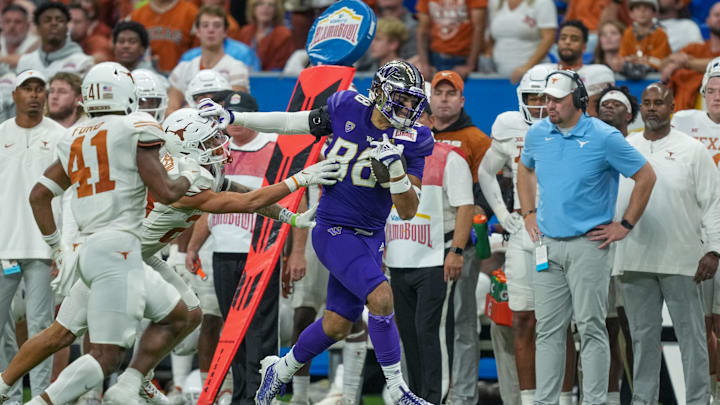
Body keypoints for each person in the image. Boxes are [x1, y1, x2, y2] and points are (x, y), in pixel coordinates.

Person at [0, 103, 340, 405]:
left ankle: (138, 379)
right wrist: (300, 180)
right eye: (209, 141)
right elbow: (243, 203)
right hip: (116, 257)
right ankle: (7, 385)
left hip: (140, 256)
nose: (219, 146)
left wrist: (288, 215)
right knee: (61, 334)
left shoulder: (194, 168)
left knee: (189, 314)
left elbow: (242, 192)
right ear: (188, 144)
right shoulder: (183, 179)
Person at [199, 59, 435, 405]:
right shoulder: (346, 106)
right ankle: (399, 391)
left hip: (371, 236)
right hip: (333, 227)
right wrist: (236, 118)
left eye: (414, 101)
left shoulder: (415, 138)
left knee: (337, 325)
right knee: (382, 297)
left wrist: (396, 173)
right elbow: (293, 122)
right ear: (381, 93)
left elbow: (408, 209)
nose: (410, 107)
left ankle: (279, 370)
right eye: (402, 98)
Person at [19, 61, 196, 405]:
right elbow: (168, 192)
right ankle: (51, 401)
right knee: (105, 354)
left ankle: (128, 384)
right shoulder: (133, 127)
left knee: (180, 316)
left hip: (89, 249)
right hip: (119, 249)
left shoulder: (74, 135)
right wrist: (191, 171)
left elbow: (39, 195)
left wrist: (57, 247)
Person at [517, 69, 656, 404]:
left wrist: (625, 225)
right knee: (548, 329)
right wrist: (528, 213)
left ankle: (594, 402)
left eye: (556, 100)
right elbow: (524, 168)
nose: (548, 106)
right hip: (547, 244)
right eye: (546, 99)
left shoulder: (604, 136)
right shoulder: (538, 134)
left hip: (589, 246)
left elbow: (646, 176)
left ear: (578, 100)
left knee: (591, 327)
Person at [477, 64, 577, 405]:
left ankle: (565, 399)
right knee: (521, 317)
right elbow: (486, 172)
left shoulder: (577, 126)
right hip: (523, 229)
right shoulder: (509, 125)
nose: (538, 104)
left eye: (545, 97)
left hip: (562, 230)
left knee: (560, 322)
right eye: (532, 97)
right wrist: (503, 214)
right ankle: (529, 400)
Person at [615, 82, 719, 405]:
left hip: (683, 260)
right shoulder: (626, 145)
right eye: (646, 103)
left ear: (672, 107)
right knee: (643, 339)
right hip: (634, 260)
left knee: (693, 339)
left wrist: (713, 249)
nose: (651, 108)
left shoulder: (693, 149)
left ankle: (698, 401)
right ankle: (644, 401)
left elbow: (713, 202)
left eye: (658, 103)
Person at [385, 137, 473, 404]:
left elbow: (465, 206)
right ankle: (416, 396)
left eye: (418, 113)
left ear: (429, 120)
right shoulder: (386, 155)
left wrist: (456, 251)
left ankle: (437, 398)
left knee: (430, 331)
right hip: (398, 259)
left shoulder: (450, 157)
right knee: (409, 335)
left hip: (436, 259)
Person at [0, 69, 64, 404]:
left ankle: (38, 396)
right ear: (16, 96)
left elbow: (69, 195)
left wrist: (63, 246)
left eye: (41, 89)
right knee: (0, 327)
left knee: (42, 328)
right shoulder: (0, 134)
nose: (35, 95)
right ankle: (7, 395)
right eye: (28, 89)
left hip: (45, 247)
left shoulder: (60, 136)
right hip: (3, 249)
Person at [427, 70, 490, 405]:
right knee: (424, 321)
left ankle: (463, 395)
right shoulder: (416, 134)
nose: (445, 99)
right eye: (439, 93)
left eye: (452, 93)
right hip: (418, 242)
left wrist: (464, 243)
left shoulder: (476, 139)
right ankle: (426, 392)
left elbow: (488, 195)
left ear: (462, 100)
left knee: (462, 319)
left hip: (458, 243)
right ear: (430, 97)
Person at [671, 58, 720, 400]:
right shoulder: (684, 123)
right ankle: (706, 390)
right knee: (700, 324)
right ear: (703, 92)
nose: (718, 96)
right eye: (713, 90)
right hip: (696, 234)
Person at [595, 85, 640, 405]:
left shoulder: (638, 148)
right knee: (605, 329)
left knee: (634, 331)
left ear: (629, 115)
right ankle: (610, 398)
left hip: (634, 249)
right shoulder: (591, 145)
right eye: (604, 104)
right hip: (597, 248)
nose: (608, 107)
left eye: (616, 104)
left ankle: (641, 396)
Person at [168, 5, 250, 113]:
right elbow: (171, 108)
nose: (211, 30)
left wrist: (190, 109)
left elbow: (234, 105)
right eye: (205, 25)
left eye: (217, 25)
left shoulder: (237, 67)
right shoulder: (183, 68)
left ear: (225, 32)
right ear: (197, 31)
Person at [661, 1, 720, 111]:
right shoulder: (695, 49)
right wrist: (672, 60)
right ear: (708, 21)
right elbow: (662, 64)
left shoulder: (690, 56)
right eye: (717, 15)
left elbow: (717, 63)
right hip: (680, 115)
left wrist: (686, 63)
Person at [16, 2, 93, 78]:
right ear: (38, 28)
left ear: (67, 27)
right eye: (47, 20)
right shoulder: (24, 62)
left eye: (60, 20)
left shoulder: (82, 62)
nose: (54, 23)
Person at [487, 0, 557, 83]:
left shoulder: (543, 3)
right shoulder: (495, 2)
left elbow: (549, 38)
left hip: (533, 77)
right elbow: (492, 37)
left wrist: (526, 68)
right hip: (499, 75)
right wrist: (488, 58)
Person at [416, 0, 486, 78]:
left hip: (463, 59)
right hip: (434, 58)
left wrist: (470, 65)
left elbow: (479, 28)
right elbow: (423, 30)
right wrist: (424, 64)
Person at [130, 0, 198, 75]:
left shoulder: (191, 13)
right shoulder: (137, 15)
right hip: (146, 77)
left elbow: (197, 53)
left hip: (181, 79)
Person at [237, 0, 294, 71]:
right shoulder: (245, 31)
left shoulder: (283, 34)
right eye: (260, 4)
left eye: (271, 5)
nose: (266, 8)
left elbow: (278, 68)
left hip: (269, 79)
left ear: (276, 11)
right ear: (253, 8)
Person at [618, 0, 671, 74]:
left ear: (654, 13)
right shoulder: (628, 33)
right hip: (630, 75)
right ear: (631, 13)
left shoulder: (661, 34)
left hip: (655, 76)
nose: (642, 12)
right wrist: (643, 60)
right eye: (637, 8)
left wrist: (635, 60)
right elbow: (622, 59)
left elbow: (659, 63)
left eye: (646, 8)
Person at [0, 4, 38, 69]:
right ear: (2, 24)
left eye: (17, 22)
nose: (12, 26)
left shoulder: (36, 43)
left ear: (28, 25)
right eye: (7, 21)